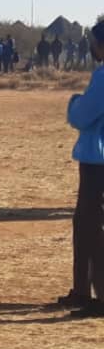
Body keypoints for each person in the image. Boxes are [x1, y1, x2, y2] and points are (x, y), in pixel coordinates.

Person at [61, 20, 104, 317]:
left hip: (97, 162)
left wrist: (74, 101)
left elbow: (82, 116)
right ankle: (81, 291)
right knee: (87, 226)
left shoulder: (102, 77)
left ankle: (95, 296)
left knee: (91, 228)